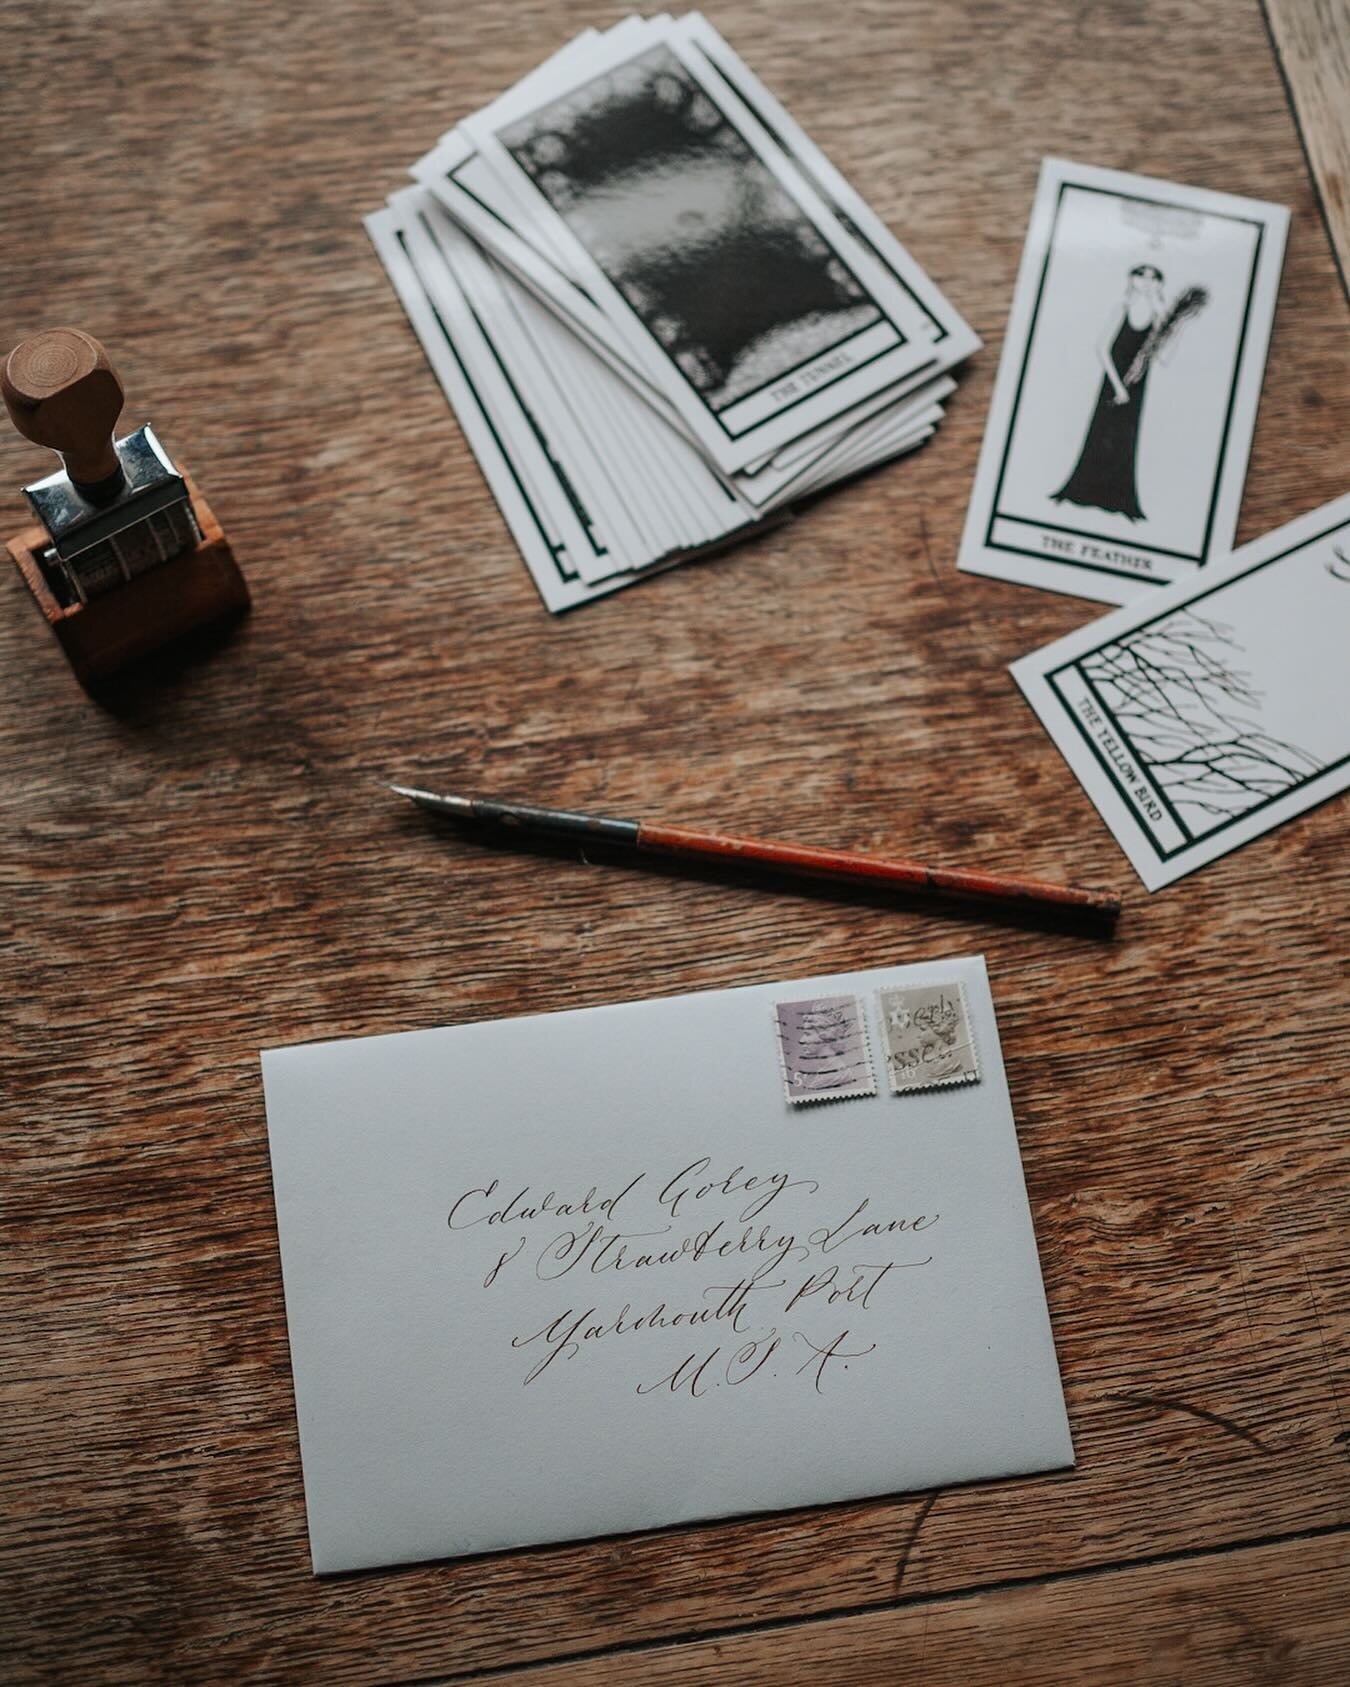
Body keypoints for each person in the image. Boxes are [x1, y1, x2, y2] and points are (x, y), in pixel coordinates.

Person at [1052, 263, 1168, 521]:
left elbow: (1165, 357)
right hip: (1112, 385)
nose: (1147, 281)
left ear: (1159, 283)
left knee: (1125, 440)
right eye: (1141, 275)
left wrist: (1162, 314)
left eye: (1153, 277)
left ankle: (1119, 498)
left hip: (1136, 389)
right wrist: (1117, 386)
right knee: (1101, 434)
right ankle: (1083, 491)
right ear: (1132, 279)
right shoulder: (1122, 308)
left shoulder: (1158, 315)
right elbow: (1102, 348)